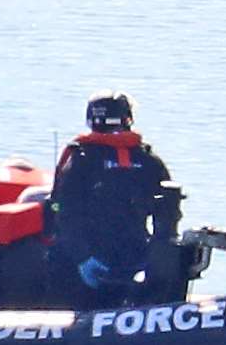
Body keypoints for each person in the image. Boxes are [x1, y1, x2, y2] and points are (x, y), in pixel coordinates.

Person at [48, 91, 172, 308]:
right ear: (128, 118)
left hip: (101, 258)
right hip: (122, 257)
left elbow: (61, 211)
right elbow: (167, 215)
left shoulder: (80, 160)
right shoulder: (148, 161)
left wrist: (81, 257)